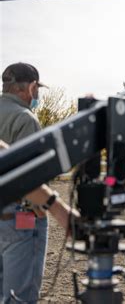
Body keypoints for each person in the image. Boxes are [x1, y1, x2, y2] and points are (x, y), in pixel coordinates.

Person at [0, 63, 78, 303]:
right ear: (31, 87)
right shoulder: (25, 119)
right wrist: (49, 206)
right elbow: (26, 176)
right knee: (19, 295)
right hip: (19, 218)